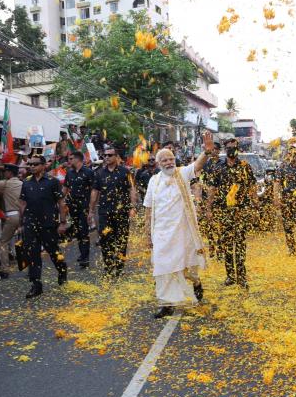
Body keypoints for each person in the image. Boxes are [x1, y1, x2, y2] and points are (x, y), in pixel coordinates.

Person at [144, 133, 216, 318]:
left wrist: (206, 152)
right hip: (161, 234)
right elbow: (148, 209)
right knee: (162, 268)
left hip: (183, 232)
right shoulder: (154, 181)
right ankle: (166, 303)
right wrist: (147, 235)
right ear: (159, 164)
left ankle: (196, 282)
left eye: (171, 159)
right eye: (165, 160)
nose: (169, 162)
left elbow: (197, 165)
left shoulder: (182, 173)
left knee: (187, 267)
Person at [19, 155, 68, 299]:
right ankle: (36, 284)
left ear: (43, 165)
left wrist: (63, 222)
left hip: (48, 224)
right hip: (30, 224)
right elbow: (22, 203)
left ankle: (62, 270)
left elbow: (61, 202)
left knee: (53, 251)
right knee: (33, 254)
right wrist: (21, 222)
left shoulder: (52, 182)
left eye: (35, 164)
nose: (32, 167)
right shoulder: (26, 183)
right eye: (30, 164)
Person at [211, 138, 255, 289]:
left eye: (233, 147)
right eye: (228, 148)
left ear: (238, 149)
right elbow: (213, 189)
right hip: (224, 211)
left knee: (241, 244)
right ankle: (230, 276)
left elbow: (252, 187)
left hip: (241, 211)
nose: (231, 150)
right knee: (227, 244)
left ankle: (241, 276)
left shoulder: (245, 167)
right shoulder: (218, 167)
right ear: (225, 149)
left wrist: (254, 206)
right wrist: (209, 208)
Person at [88, 147, 137, 277]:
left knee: (121, 241)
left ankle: (119, 268)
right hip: (105, 213)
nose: (107, 157)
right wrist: (91, 211)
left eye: (110, 155)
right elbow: (95, 192)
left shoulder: (125, 172)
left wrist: (132, 207)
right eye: (105, 155)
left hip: (122, 212)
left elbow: (132, 189)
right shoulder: (99, 173)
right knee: (105, 240)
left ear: (116, 156)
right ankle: (109, 267)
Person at [63, 151, 94, 269]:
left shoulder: (89, 172)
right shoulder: (69, 173)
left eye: (71, 158)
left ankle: (85, 258)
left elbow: (94, 191)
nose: (69, 161)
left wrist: (91, 208)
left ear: (78, 159)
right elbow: (65, 189)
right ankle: (82, 254)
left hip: (84, 206)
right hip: (72, 206)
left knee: (84, 231)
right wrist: (60, 201)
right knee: (77, 231)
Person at [198, 141, 223, 263]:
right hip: (206, 199)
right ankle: (212, 248)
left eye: (215, 149)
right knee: (209, 226)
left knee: (220, 226)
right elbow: (200, 179)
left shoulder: (223, 164)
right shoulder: (205, 164)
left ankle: (220, 250)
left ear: (219, 150)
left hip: (219, 200)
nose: (213, 151)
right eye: (211, 149)